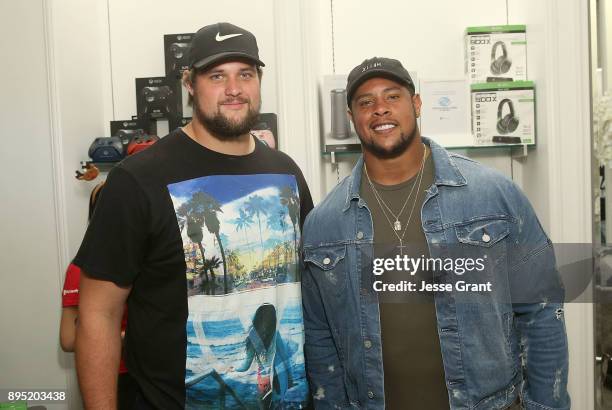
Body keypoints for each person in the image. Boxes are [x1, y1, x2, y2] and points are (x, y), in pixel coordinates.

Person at [301, 57, 569, 409]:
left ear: (416, 103)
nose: (380, 109)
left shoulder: (493, 195)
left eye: (392, 96)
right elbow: (321, 342)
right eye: (366, 102)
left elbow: (542, 310)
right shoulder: (324, 223)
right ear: (352, 118)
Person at [74, 22, 313, 409]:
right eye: (217, 76)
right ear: (189, 83)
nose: (233, 89)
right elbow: (98, 313)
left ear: (259, 81)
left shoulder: (286, 172)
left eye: (245, 75)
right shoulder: (137, 179)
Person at [60, 182, 137, 409]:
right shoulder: (80, 271)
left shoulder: (146, 264)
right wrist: (127, 334)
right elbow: (68, 339)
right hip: (114, 377)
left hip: (151, 374)